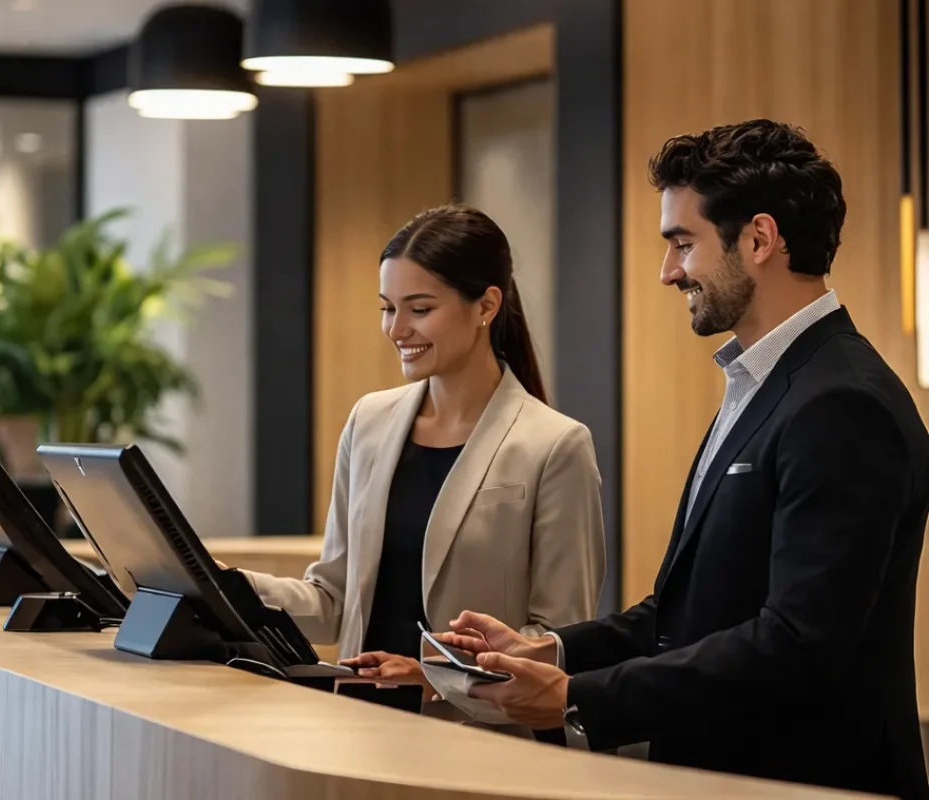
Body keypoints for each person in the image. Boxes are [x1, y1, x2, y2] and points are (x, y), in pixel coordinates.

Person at [437, 120, 929, 799]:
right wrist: (550, 651)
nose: (668, 271)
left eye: (683, 243)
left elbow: (797, 645)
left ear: (759, 239)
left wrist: (574, 697)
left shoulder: (843, 403)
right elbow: (689, 614)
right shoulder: (765, 384)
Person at [234, 203, 606, 715]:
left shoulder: (556, 445)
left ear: (486, 305)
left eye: (420, 309)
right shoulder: (368, 422)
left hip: (478, 741)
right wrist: (225, 583)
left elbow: (556, 641)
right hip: (360, 724)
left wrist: (434, 678)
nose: (396, 329)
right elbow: (332, 602)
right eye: (387, 308)